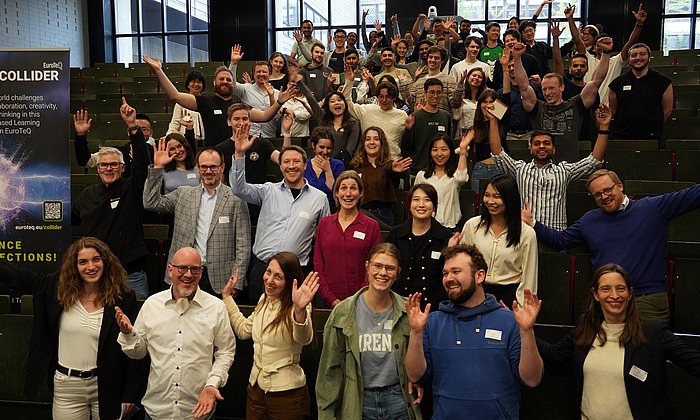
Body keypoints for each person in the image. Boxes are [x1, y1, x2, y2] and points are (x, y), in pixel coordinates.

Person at [0, 237, 142, 420]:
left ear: (105, 261)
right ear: (74, 266)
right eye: (83, 262)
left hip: (107, 387)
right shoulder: (56, 290)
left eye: (96, 259)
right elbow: (18, 277)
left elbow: (132, 353)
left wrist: (130, 393)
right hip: (67, 387)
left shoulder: (124, 298)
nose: (90, 267)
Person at [529, 169, 700, 321]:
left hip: (646, 299)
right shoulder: (589, 220)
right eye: (597, 195)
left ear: (620, 186)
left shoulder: (652, 208)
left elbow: (693, 195)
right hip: (606, 301)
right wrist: (533, 223)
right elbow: (561, 241)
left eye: (607, 190)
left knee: (645, 355)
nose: (604, 196)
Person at [536, 263, 700, 419]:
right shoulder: (585, 326)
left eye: (620, 289)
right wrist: (522, 328)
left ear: (630, 293)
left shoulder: (653, 332)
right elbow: (553, 355)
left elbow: (694, 363)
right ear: (595, 294)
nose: (614, 295)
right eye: (606, 289)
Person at [405, 244, 543, 418]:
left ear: (479, 276)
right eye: (445, 273)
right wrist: (416, 333)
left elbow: (532, 379)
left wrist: (527, 331)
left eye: (456, 271)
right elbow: (416, 376)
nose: (448, 278)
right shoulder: (432, 322)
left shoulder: (510, 321)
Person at [116, 247, 236, 420]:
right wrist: (128, 333)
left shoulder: (216, 308)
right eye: (182, 268)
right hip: (157, 411)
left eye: (195, 269)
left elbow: (226, 352)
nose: (188, 274)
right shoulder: (152, 305)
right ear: (170, 270)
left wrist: (212, 384)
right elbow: (138, 353)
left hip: (198, 412)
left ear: (201, 272)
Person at [317, 243, 423, 420]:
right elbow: (329, 371)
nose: (382, 273)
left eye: (390, 268)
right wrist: (326, 414)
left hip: (398, 399)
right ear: (367, 267)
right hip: (358, 399)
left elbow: (419, 365)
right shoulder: (343, 312)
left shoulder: (408, 311)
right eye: (377, 266)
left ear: (398, 273)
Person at [230, 128, 330, 303]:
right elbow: (239, 189)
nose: (291, 166)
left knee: (290, 323)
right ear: (280, 165)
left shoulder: (319, 198)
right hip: (263, 268)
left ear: (305, 165)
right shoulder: (268, 191)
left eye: (296, 161)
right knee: (258, 319)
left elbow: (324, 237)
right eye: (286, 162)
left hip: (295, 272)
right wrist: (239, 155)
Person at [143, 144, 251, 297]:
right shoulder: (183, 194)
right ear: (197, 168)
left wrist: (237, 281)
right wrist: (157, 168)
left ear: (222, 168)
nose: (208, 171)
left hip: (220, 279)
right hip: (184, 274)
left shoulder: (236, 199)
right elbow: (150, 202)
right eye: (204, 167)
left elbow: (243, 245)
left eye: (213, 167)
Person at [222, 252, 318, 420]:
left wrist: (300, 310)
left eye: (278, 276)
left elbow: (304, 338)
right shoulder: (264, 300)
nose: (269, 280)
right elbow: (244, 330)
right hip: (256, 390)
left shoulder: (297, 307)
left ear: (290, 281)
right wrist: (227, 298)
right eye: (268, 272)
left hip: (286, 394)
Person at [72, 97, 150, 299]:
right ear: (97, 169)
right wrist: (80, 137)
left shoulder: (132, 188)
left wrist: (133, 126)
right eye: (104, 165)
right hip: (96, 275)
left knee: (137, 326)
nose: (109, 168)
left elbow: (142, 162)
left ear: (123, 168)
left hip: (130, 274)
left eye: (114, 164)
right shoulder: (87, 195)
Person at [491, 103, 610, 230]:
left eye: (546, 143)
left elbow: (594, 161)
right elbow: (498, 154)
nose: (541, 146)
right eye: (537, 143)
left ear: (553, 149)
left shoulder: (564, 171)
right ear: (530, 149)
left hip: (556, 236)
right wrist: (493, 120)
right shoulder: (519, 169)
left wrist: (603, 127)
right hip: (526, 233)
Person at [143, 55, 288, 147]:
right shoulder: (204, 101)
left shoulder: (239, 105)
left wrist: (279, 102)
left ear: (233, 84)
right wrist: (159, 70)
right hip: (213, 158)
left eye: (228, 80)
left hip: (236, 156)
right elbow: (175, 95)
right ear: (214, 83)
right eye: (222, 79)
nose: (225, 82)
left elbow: (265, 116)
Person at [514, 36, 612, 163]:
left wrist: (606, 53)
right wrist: (517, 58)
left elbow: (596, 82)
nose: (547, 93)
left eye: (551, 88)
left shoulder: (575, 105)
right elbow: (524, 87)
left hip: (569, 168)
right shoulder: (537, 107)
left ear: (562, 87)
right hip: (543, 167)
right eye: (544, 89)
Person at [452, 174, 538, 306]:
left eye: (497, 197)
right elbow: (463, 265)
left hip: (508, 297)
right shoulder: (472, 225)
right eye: (487, 195)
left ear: (510, 199)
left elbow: (529, 278)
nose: (490, 201)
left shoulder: (526, 233)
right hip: (475, 294)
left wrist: (521, 308)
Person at [314, 170, 382, 308]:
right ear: (337, 193)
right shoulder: (325, 224)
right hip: (326, 299)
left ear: (361, 193)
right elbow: (318, 264)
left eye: (353, 188)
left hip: (361, 300)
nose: (348, 194)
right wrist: (330, 298)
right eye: (343, 188)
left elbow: (375, 265)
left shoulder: (371, 226)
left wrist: (359, 298)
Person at [386, 183, 454, 310]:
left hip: (435, 307)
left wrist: (451, 251)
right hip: (398, 304)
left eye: (427, 200)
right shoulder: (396, 234)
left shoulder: (445, 236)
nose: (421, 205)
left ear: (434, 206)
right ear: (409, 205)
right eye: (416, 200)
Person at [350, 126, 412, 227]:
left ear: (382, 143)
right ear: (363, 143)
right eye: (368, 139)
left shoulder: (391, 166)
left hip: (383, 215)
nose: (372, 142)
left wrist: (393, 170)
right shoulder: (355, 166)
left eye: (376, 139)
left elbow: (393, 179)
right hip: (359, 214)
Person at [609, 43, 673, 140]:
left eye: (642, 54)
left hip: (652, 136)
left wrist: (654, 124)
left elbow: (667, 110)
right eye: (634, 55)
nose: (638, 58)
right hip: (622, 135)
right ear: (629, 60)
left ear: (649, 57)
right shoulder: (617, 83)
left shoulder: (663, 82)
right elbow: (614, 110)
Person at [343, 64, 408, 159]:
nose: (384, 100)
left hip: (392, 162)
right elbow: (347, 104)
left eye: (388, 97)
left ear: (394, 97)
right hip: (368, 161)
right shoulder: (367, 110)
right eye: (381, 96)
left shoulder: (402, 115)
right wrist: (349, 82)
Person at [414, 133, 470, 229]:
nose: (439, 154)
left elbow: (462, 177)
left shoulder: (454, 176)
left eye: (444, 149)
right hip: (425, 227)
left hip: (449, 227)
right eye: (435, 150)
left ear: (450, 151)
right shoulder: (422, 176)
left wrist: (463, 150)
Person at [401, 78, 453, 174]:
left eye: (438, 92)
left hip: (440, 170)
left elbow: (449, 142)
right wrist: (408, 130)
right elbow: (406, 146)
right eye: (431, 92)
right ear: (425, 93)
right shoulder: (414, 117)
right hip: (418, 169)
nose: (435, 96)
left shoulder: (446, 116)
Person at [468, 89, 507, 192]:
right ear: (480, 105)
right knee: (478, 204)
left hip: (500, 167)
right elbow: (466, 147)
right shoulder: (475, 128)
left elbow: (507, 97)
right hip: (481, 169)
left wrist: (506, 72)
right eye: (485, 102)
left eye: (491, 102)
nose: (488, 105)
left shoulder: (502, 122)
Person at [303, 127, 345, 212]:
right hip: (307, 210)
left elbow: (336, 194)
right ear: (313, 145)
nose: (325, 151)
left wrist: (328, 170)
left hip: (331, 210)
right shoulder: (304, 165)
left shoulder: (338, 165)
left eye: (328, 148)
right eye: (321, 147)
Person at [167, 70, 206, 145]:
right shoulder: (181, 102)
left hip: (204, 140)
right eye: (193, 82)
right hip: (186, 141)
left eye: (199, 82)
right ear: (188, 85)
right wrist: (168, 137)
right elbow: (174, 123)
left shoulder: (207, 101)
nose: (196, 84)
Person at [452, 67, 487, 134]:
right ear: (468, 78)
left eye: (479, 77)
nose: (476, 78)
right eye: (474, 75)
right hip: (463, 133)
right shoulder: (460, 95)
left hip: (480, 133)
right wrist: (461, 82)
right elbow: (455, 107)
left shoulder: (484, 98)